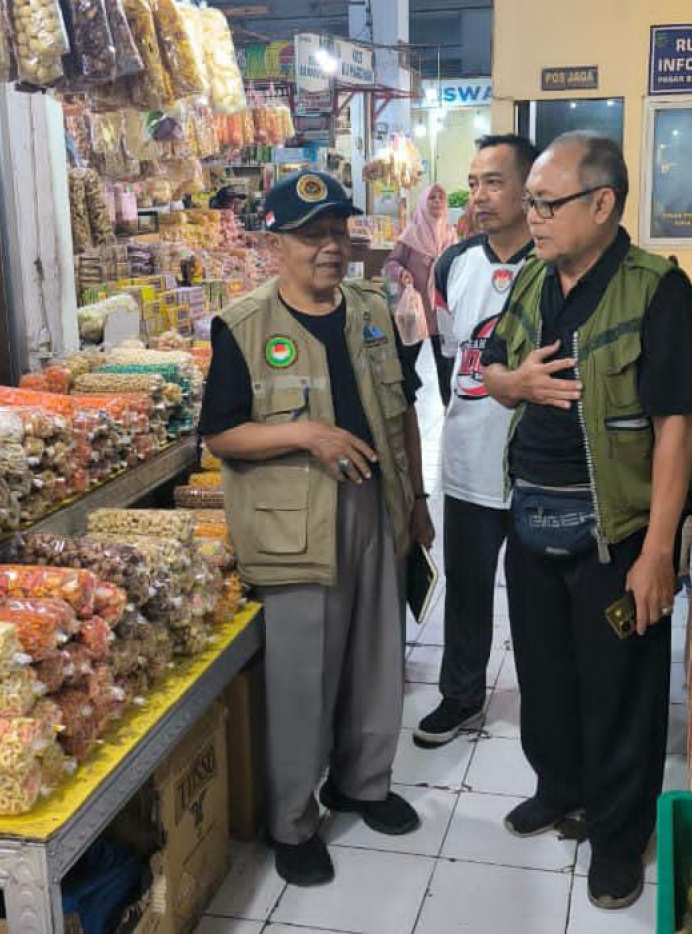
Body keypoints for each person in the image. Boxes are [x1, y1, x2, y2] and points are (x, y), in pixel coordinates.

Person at [480, 132, 692, 910]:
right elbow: (490, 371)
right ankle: (559, 787)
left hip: (615, 530)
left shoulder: (656, 290)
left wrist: (658, 551)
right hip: (531, 515)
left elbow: (675, 426)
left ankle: (617, 835)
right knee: (544, 674)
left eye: (546, 203)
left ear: (602, 204)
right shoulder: (533, 281)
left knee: (620, 690)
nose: (530, 216)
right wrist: (517, 383)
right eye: (530, 202)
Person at [199, 170, 436, 887]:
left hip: (377, 505)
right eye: (311, 235)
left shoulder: (370, 308)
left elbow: (401, 414)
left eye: (337, 231)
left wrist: (418, 501)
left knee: (375, 656)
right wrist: (307, 433)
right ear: (276, 244)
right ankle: (293, 820)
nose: (329, 247)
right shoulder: (244, 326)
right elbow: (221, 436)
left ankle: (362, 783)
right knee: (303, 678)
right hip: (295, 520)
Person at [414, 134, 537, 748]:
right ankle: (460, 695)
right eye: (475, 182)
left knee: (539, 602)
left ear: (528, 187)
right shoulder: (452, 265)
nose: (480, 196)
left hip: (537, 471)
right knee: (465, 594)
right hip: (466, 465)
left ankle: (545, 707)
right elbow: (444, 363)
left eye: (495, 181)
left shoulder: (553, 266)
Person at [383, 183, 458, 404]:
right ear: (423, 203)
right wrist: (402, 272)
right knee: (404, 367)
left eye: (440, 198)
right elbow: (390, 263)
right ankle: (403, 409)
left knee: (448, 371)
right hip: (415, 314)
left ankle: (449, 413)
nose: (436, 202)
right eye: (431, 198)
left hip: (442, 314)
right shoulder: (411, 234)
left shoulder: (451, 235)